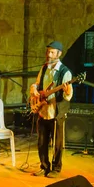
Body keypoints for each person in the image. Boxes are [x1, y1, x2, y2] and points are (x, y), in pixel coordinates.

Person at [30, 41, 73, 178]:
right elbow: (37, 84)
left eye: (52, 52)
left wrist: (66, 91)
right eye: (48, 51)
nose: (49, 54)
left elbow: (68, 96)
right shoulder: (44, 68)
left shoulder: (65, 72)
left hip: (56, 111)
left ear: (59, 54)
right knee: (42, 141)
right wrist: (34, 89)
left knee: (57, 142)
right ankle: (44, 166)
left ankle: (56, 168)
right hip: (43, 109)